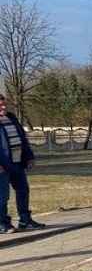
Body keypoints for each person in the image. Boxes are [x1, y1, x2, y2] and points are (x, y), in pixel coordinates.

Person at [0, 94, 44, 233]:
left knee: (23, 190)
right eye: (0, 105)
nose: (4, 107)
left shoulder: (12, 118)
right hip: (2, 165)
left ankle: (25, 220)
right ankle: (2, 223)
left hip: (18, 162)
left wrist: (29, 157)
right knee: (2, 196)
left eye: (5, 104)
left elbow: (22, 138)